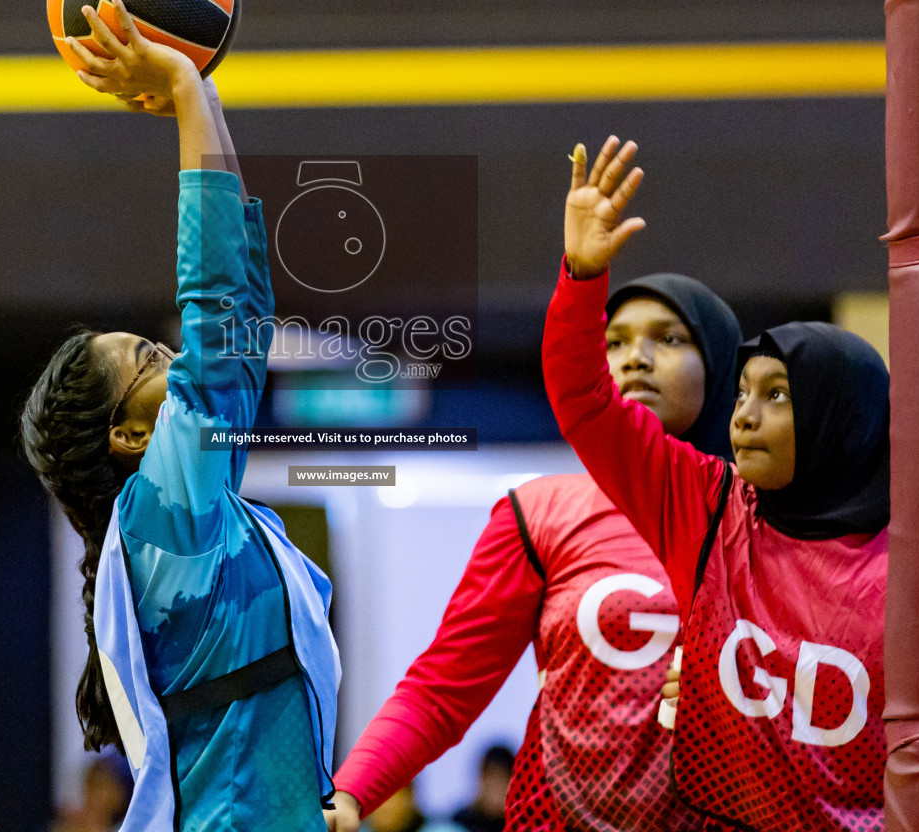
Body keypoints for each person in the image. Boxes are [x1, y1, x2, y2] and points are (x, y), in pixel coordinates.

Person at [21, 0, 340, 832]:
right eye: (152, 363)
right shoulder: (164, 516)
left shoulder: (194, 517)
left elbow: (243, 319)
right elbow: (220, 310)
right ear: (128, 437)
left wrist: (202, 97)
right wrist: (187, 95)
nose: (179, 362)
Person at [543, 137, 890, 832]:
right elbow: (585, 400)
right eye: (742, 394)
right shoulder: (707, 507)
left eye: (780, 395)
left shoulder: (917, 565)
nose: (746, 416)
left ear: (837, 417)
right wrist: (582, 274)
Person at [329, 265, 741, 832]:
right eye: (613, 342)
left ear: (721, 364)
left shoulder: (766, 518)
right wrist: (352, 791)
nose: (635, 358)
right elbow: (443, 687)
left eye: (668, 338)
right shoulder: (540, 514)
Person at [450, 744, 513, 832]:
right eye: (492, 781)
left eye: (502, 782)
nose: (496, 791)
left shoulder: (515, 824)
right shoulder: (460, 821)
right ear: (482, 779)